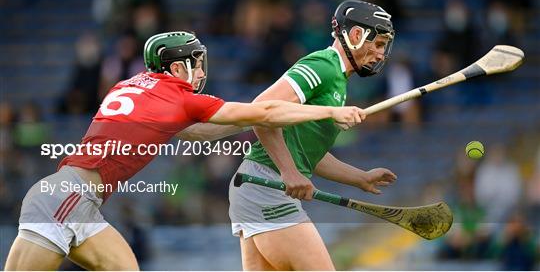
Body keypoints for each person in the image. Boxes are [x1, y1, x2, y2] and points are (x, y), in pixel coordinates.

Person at [4, 31, 367, 270]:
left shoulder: (132, 85)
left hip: (78, 203)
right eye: (195, 63)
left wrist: (250, 120)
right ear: (177, 67)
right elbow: (267, 110)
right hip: (66, 199)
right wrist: (330, 111)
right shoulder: (175, 95)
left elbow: (198, 133)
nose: (199, 72)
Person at [228, 0, 398, 270]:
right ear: (356, 36)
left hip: (254, 184)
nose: (380, 55)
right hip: (266, 184)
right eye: (377, 44)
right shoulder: (325, 66)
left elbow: (307, 153)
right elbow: (260, 113)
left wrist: (360, 178)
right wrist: (289, 172)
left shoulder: (339, 81)